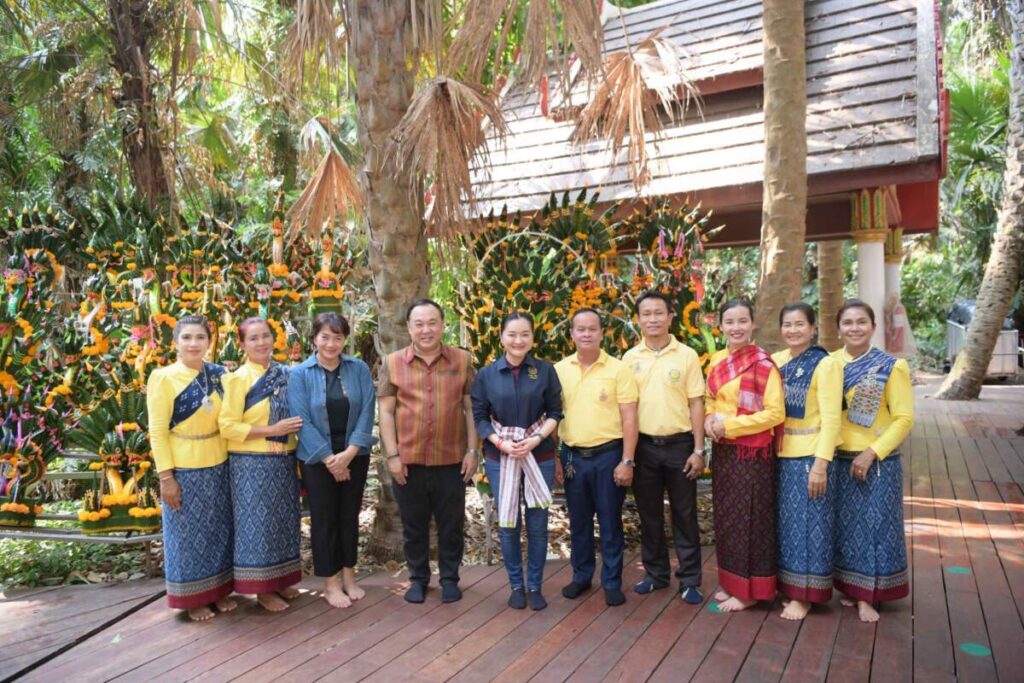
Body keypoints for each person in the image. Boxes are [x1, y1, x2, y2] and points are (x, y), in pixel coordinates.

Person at [378, 299, 479, 604]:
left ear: (442, 324)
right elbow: (385, 412)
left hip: (452, 460)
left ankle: (450, 578)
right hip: (409, 461)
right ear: (409, 328)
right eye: (419, 324)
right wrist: (392, 456)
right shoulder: (392, 363)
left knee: (451, 525)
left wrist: (473, 451)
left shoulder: (462, 361)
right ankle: (418, 579)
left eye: (432, 322)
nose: (426, 330)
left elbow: (471, 409)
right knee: (414, 525)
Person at [471, 311, 563, 611]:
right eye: (512, 334)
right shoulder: (486, 374)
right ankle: (515, 585)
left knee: (537, 522)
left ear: (532, 338)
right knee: (509, 522)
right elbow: (480, 417)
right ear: (501, 337)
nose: (518, 340)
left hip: (541, 455)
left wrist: (535, 440)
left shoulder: (545, 370)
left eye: (525, 334)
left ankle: (534, 585)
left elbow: (555, 413)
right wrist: (500, 443)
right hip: (501, 458)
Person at [147, 315, 235, 622]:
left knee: (219, 529)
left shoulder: (219, 375)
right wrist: (166, 477)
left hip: (219, 462)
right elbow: (157, 431)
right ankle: (193, 598)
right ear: (175, 343)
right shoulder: (163, 377)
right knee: (186, 535)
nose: (194, 343)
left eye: (200, 337)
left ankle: (219, 591)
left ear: (210, 342)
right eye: (187, 338)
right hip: (182, 467)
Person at [622, 291, 707, 605]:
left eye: (659, 313)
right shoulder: (630, 359)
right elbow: (626, 409)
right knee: (649, 515)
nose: (653, 319)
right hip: (644, 448)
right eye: (646, 313)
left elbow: (696, 403)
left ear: (671, 316)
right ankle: (656, 575)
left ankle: (690, 579)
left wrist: (699, 450)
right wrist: (627, 456)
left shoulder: (686, 355)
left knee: (685, 514)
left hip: (680, 446)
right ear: (638, 319)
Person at [288, 312, 377, 608]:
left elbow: (367, 410)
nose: (331, 343)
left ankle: (350, 577)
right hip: (317, 460)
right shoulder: (300, 374)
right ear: (314, 339)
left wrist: (349, 454)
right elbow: (300, 420)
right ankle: (330, 583)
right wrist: (330, 460)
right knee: (324, 520)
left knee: (349, 516)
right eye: (325, 337)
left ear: (344, 340)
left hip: (355, 454)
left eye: (337, 337)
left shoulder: (359, 368)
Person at [832, 299, 913, 623]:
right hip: (838, 457)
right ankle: (852, 588)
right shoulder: (830, 365)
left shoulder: (891, 367)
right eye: (848, 322)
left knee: (876, 526)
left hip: (878, 462)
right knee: (846, 527)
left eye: (861, 322)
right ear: (839, 329)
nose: (854, 328)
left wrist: (872, 452)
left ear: (873, 327)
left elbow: (904, 419)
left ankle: (870, 596)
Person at [219, 317, 305, 612]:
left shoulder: (287, 373)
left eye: (266, 336)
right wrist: (272, 430)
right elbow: (228, 426)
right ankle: (261, 589)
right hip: (251, 464)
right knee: (257, 524)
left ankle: (281, 579)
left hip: (284, 460)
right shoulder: (236, 379)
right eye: (253, 338)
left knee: (283, 521)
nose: (261, 343)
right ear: (242, 344)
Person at [704, 299, 785, 612]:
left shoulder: (763, 364)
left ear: (752, 325)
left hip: (752, 453)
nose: (735, 328)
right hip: (724, 451)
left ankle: (753, 590)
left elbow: (775, 413)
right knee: (728, 518)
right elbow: (711, 398)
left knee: (751, 520)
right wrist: (711, 419)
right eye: (729, 321)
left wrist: (730, 426)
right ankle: (732, 582)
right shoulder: (717, 359)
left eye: (742, 321)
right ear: (721, 325)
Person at [555, 308, 638, 607]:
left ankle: (612, 581)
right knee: (578, 521)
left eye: (592, 329)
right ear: (572, 333)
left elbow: (630, 419)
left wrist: (627, 460)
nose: (586, 334)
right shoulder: (559, 369)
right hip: (574, 456)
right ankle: (581, 576)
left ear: (602, 333)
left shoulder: (618, 369)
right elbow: (553, 416)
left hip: (609, 455)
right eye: (580, 329)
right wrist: (556, 459)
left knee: (610, 520)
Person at [771, 303, 842, 620]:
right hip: (780, 454)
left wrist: (821, 464)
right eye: (787, 324)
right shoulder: (775, 362)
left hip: (810, 455)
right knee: (789, 528)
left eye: (800, 324)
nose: (793, 330)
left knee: (811, 526)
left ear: (813, 328)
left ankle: (807, 595)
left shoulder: (823, 364)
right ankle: (790, 587)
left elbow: (831, 419)